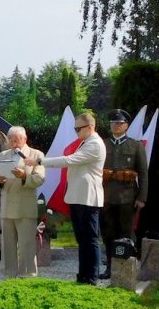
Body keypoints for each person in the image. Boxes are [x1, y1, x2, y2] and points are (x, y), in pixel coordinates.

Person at [28, 113, 105, 284]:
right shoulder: (85, 143)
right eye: (75, 128)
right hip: (78, 196)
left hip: (88, 197)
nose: (76, 132)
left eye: (78, 128)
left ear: (90, 127)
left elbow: (70, 160)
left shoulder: (95, 144)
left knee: (90, 238)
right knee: (82, 238)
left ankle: (91, 276)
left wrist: (40, 161)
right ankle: (83, 274)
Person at [100, 109, 149, 276]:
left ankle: (126, 267)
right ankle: (110, 267)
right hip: (106, 196)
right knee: (108, 233)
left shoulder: (135, 146)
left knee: (126, 232)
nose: (116, 126)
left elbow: (143, 173)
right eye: (114, 123)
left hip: (127, 196)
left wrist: (142, 197)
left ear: (127, 125)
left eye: (120, 123)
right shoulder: (103, 144)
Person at [0, 126, 46, 278]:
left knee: (26, 245)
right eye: (11, 140)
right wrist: (0, 181)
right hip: (7, 206)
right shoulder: (2, 155)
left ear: (25, 139)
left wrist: (24, 177)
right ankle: (7, 274)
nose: (14, 143)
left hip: (25, 207)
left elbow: (40, 178)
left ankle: (27, 276)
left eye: (17, 140)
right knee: (7, 245)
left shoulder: (36, 154)